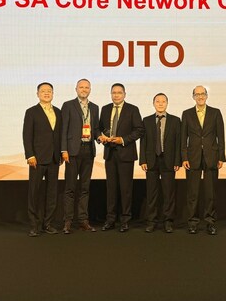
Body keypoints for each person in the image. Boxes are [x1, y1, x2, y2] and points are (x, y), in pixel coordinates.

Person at [98, 83, 144, 232]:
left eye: (119, 92)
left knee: (126, 189)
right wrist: (101, 137)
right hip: (110, 154)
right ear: (111, 94)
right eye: (114, 93)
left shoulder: (132, 109)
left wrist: (122, 140)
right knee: (111, 189)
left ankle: (125, 220)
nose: (116, 95)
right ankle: (110, 219)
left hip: (126, 154)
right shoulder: (105, 109)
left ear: (124, 94)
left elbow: (139, 130)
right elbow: (99, 129)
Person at [181, 85, 226, 235]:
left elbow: (221, 136)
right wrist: (184, 157)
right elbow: (183, 138)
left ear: (207, 96)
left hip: (211, 156)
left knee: (210, 193)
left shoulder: (215, 112)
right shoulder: (186, 114)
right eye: (197, 94)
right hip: (192, 157)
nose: (200, 96)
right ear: (193, 97)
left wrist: (221, 157)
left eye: (202, 94)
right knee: (192, 193)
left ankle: (210, 223)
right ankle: (192, 222)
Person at [22, 82, 63, 237]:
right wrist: (30, 155)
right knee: (34, 192)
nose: (46, 93)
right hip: (37, 159)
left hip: (54, 158)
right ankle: (34, 225)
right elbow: (27, 135)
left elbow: (59, 135)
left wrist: (60, 154)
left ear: (53, 94)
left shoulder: (58, 112)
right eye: (43, 91)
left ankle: (48, 224)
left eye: (49, 91)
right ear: (37, 94)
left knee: (52, 193)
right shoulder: (31, 112)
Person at [60, 79, 100, 234]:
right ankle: (67, 221)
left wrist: (100, 137)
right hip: (72, 152)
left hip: (88, 150)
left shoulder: (94, 107)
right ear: (76, 89)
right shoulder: (68, 105)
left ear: (90, 89)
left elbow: (95, 129)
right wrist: (64, 150)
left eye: (86, 87)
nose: (84, 89)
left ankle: (83, 220)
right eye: (81, 87)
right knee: (70, 187)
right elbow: (64, 129)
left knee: (85, 187)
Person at [140, 93, 181, 233]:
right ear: (153, 103)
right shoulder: (146, 120)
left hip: (169, 161)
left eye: (163, 101)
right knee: (152, 193)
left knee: (168, 193)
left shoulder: (175, 121)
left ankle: (168, 221)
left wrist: (177, 160)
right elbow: (143, 142)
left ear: (167, 103)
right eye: (158, 101)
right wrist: (143, 160)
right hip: (151, 161)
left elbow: (178, 142)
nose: (161, 103)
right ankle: (151, 221)